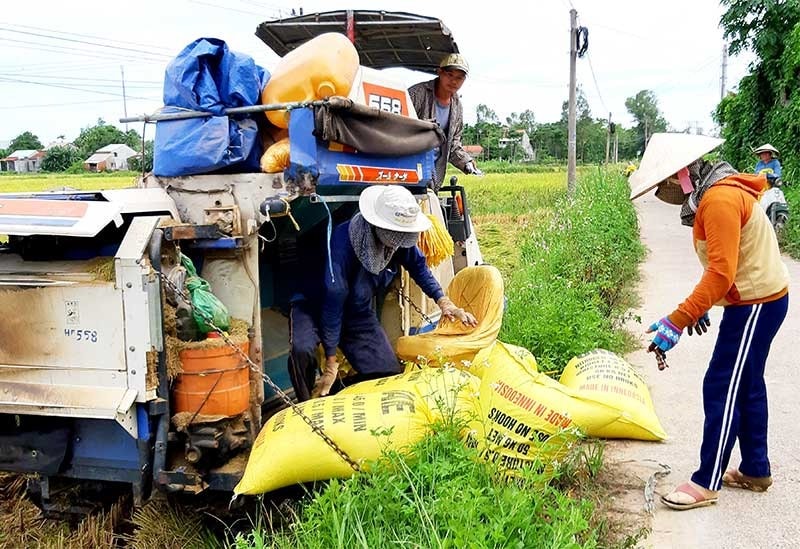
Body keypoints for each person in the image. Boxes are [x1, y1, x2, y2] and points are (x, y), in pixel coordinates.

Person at [629, 133, 789, 511]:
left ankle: (707, 480)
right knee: (746, 382)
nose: (664, 193)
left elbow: (721, 272)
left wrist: (678, 319)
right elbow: (730, 267)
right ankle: (755, 469)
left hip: (755, 305)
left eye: (665, 183)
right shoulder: (718, 190)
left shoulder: (717, 200)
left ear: (681, 176)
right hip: (758, 299)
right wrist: (701, 306)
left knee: (722, 384)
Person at [288, 185, 477, 400]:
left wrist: (445, 302)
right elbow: (334, 300)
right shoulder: (343, 242)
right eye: (395, 238)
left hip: (356, 314)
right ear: (377, 225)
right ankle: (305, 402)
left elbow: (419, 267)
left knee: (388, 373)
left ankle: (340, 396)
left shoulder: (398, 239)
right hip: (313, 303)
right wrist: (331, 361)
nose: (398, 245)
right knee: (302, 350)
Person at [408, 53, 483, 190]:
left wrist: (466, 161)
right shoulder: (417, 94)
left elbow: (453, 144)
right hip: (410, 169)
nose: (454, 81)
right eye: (449, 75)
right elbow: (401, 129)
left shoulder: (457, 107)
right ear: (440, 72)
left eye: (459, 78)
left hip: (434, 174)